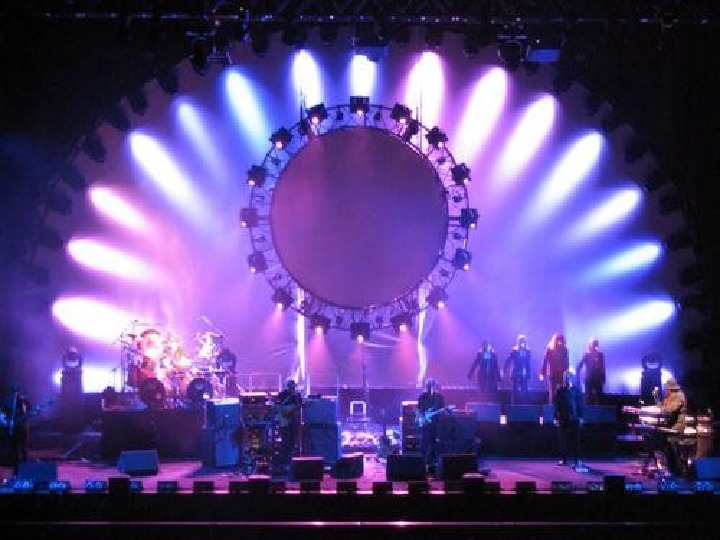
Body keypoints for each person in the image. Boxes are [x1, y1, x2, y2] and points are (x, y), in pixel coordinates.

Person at [553, 370, 584, 467]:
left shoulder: (576, 390)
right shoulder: (560, 390)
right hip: (563, 418)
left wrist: (581, 416)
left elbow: (580, 404)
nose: (568, 379)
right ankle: (563, 459)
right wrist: (555, 417)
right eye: (567, 377)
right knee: (563, 440)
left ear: (572, 378)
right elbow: (556, 405)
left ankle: (578, 459)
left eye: (570, 377)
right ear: (564, 379)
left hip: (574, 418)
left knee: (576, 440)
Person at [1, 382, 32, 476]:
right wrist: (5, 421)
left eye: (18, 390)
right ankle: (15, 466)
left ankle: (24, 465)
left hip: (22, 427)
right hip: (12, 427)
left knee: (23, 447)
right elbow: (2, 413)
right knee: (13, 447)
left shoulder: (24, 401)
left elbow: (29, 412)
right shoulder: (7, 401)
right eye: (15, 390)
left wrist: (27, 415)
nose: (17, 392)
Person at [273, 378, 303, 475]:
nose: (291, 387)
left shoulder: (297, 395)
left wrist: (294, 409)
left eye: (293, 385)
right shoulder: (282, 394)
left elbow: (298, 406)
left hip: (293, 422)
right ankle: (282, 463)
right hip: (284, 422)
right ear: (287, 386)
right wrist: (285, 412)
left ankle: (291, 463)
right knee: (285, 442)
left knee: (292, 442)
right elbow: (277, 406)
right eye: (290, 385)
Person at [416, 378, 446, 473]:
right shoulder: (422, 396)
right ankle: (422, 462)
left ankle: (431, 463)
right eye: (428, 386)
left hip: (435, 423)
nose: (430, 388)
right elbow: (418, 409)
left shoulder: (439, 397)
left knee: (434, 442)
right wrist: (422, 418)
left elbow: (442, 408)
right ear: (426, 386)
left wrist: (442, 412)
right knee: (424, 442)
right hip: (425, 423)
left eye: (431, 386)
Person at [659, 378, 687, 476]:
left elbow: (670, 410)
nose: (665, 390)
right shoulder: (669, 397)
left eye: (666, 388)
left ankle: (678, 470)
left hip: (677, 426)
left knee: (672, 446)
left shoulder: (679, 396)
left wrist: (662, 408)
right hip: (670, 426)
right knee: (666, 445)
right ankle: (670, 468)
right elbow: (663, 408)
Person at [540, 333, 569, 404]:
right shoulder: (550, 349)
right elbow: (545, 361)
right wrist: (542, 373)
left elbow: (566, 362)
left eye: (561, 341)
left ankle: (560, 406)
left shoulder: (564, 350)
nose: (560, 343)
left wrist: (566, 372)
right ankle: (552, 406)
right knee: (552, 391)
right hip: (552, 373)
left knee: (561, 391)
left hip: (561, 374)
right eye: (558, 341)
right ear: (555, 341)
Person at [575, 338, 606, 405]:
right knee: (588, 397)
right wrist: (578, 377)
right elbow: (579, 366)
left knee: (599, 397)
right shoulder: (586, 355)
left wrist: (603, 378)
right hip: (589, 379)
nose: (595, 345)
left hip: (598, 378)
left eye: (596, 344)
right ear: (590, 345)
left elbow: (602, 367)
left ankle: (598, 410)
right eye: (593, 344)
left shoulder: (600, 355)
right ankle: (588, 410)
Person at [503, 334, 532, 404]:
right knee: (515, 389)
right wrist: (504, 369)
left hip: (524, 372)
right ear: (518, 342)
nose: (522, 343)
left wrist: (529, 373)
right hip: (516, 372)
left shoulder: (527, 351)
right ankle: (514, 404)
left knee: (524, 389)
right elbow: (509, 360)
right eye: (521, 341)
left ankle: (523, 404)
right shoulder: (515, 351)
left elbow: (528, 363)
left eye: (523, 341)